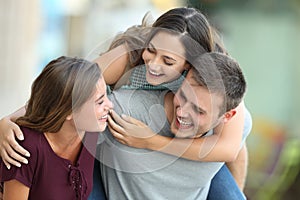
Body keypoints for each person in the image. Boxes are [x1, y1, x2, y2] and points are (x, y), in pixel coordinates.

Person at [0, 7, 249, 199]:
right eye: (151, 50)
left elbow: (231, 149)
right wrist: (11, 120)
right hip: (106, 144)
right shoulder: (129, 57)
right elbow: (68, 89)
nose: (153, 64)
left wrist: (150, 140)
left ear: (191, 64)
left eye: (168, 61)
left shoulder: (214, 82)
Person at [97, 52, 251, 199]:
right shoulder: (124, 111)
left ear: (227, 117)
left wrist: (150, 141)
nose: (182, 112)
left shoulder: (235, 128)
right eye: (183, 95)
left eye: (198, 110)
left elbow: (237, 150)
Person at [0, 56, 113, 199]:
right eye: (100, 101)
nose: (110, 105)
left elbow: (131, 50)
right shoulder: (25, 148)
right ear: (69, 111)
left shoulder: (91, 131)